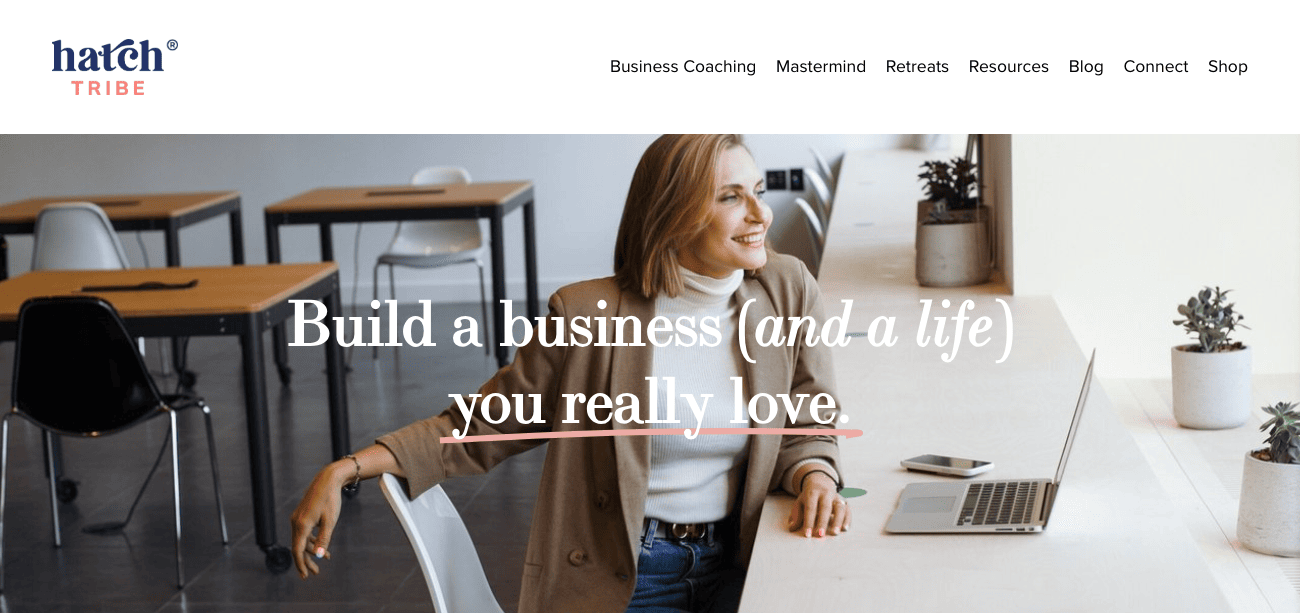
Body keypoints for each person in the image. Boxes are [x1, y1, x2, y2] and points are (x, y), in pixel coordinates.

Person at [290, 134, 851, 612]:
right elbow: (482, 429)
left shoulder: (786, 289)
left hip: (743, 557)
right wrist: (348, 468)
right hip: (631, 573)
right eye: (731, 197)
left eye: (756, 191)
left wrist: (814, 475)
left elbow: (807, 415)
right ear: (673, 217)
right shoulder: (585, 317)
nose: (760, 214)